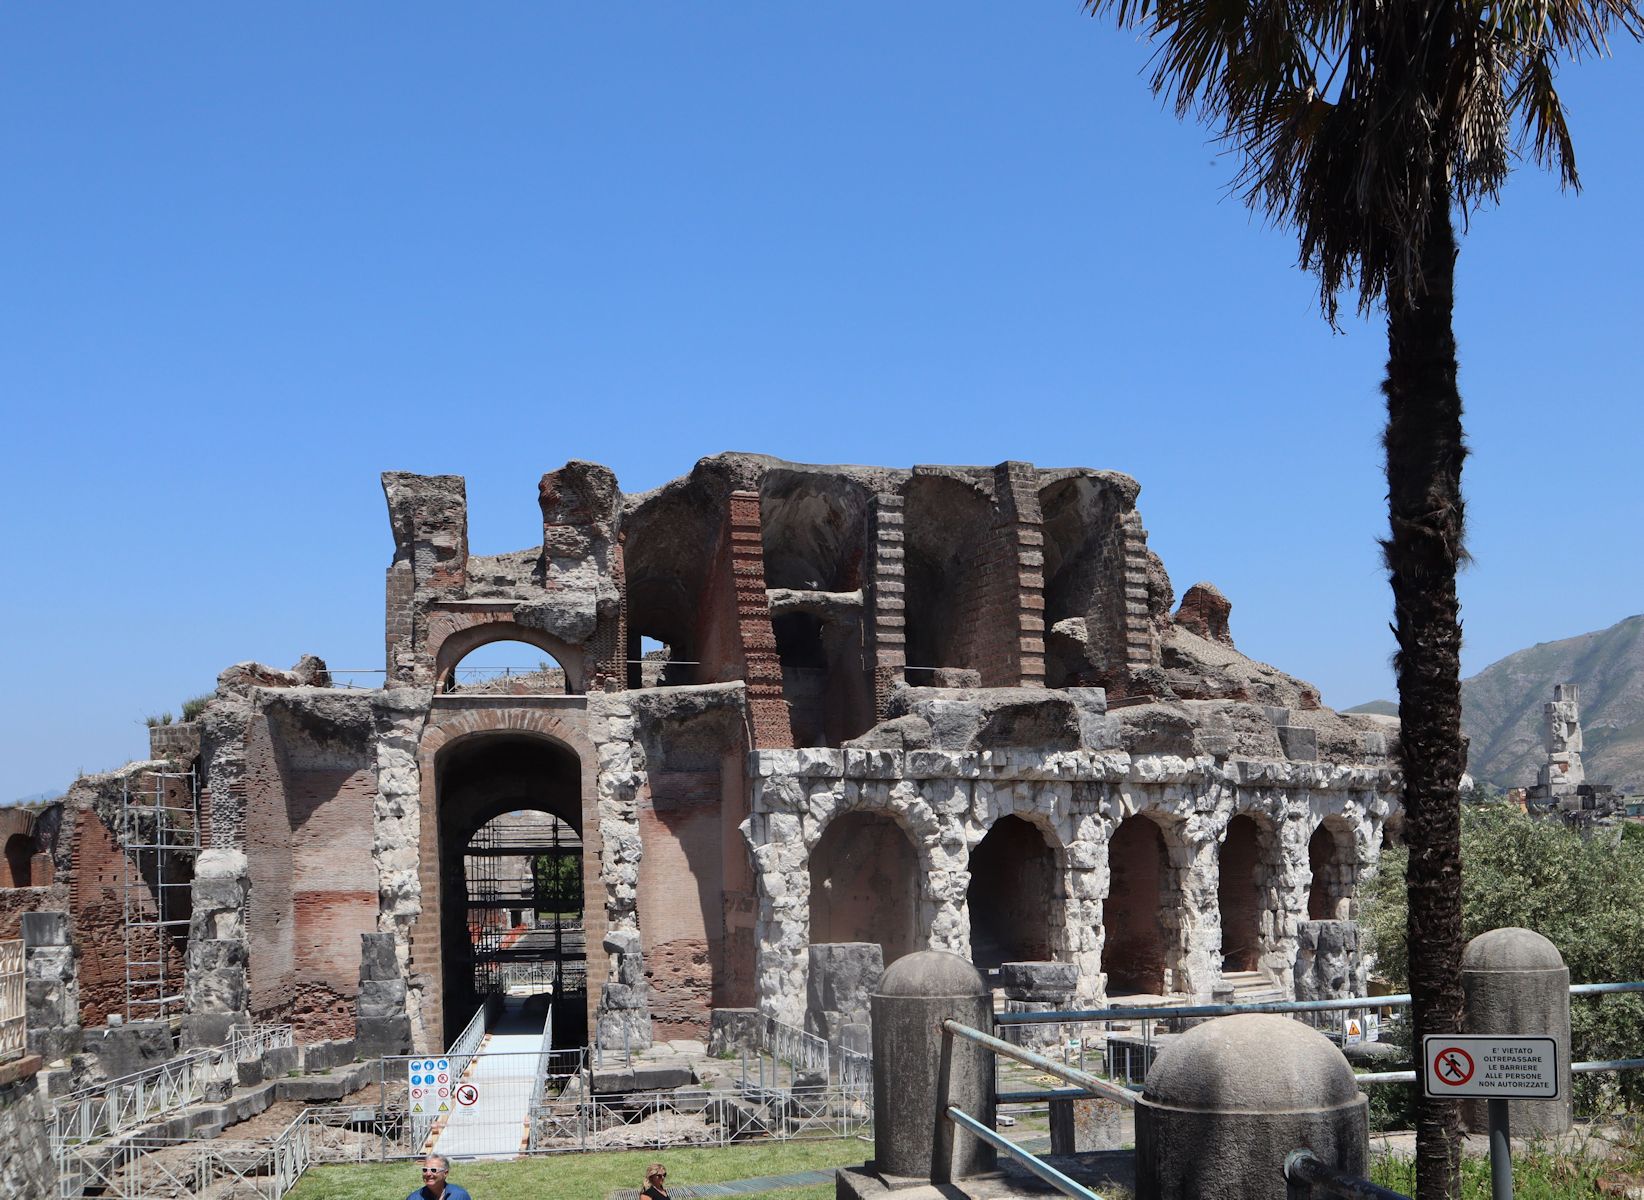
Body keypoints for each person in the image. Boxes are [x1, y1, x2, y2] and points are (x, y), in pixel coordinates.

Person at [407, 1154, 472, 1200]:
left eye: (433, 1170)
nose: (428, 1174)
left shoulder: (459, 1196)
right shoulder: (414, 1198)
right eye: (425, 1170)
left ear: (445, 1173)